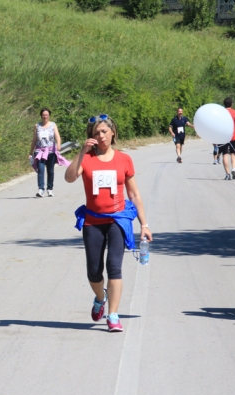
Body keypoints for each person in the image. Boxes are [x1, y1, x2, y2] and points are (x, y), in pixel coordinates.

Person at [65, 115, 152, 333]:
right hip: (93, 221)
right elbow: (69, 178)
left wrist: (144, 224)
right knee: (94, 271)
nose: (100, 136)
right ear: (90, 137)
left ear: (113, 133)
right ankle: (100, 297)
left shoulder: (124, 159)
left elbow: (134, 193)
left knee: (114, 267)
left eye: (104, 131)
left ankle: (113, 315)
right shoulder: (86, 159)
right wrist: (82, 152)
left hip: (118, 220)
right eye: (96, 133)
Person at [29, 108, 69, 197]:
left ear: (49, 115)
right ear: (41, 116)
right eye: (43, 115)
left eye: (46, 115)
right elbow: (34, 139)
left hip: (51, 151)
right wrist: (30, 152)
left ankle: (50, 189)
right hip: (39, 151)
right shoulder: (37, 126)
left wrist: (58, 144)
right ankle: (40, 189)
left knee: (50, 170)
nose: (45, 116)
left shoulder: (53, 125)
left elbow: (57, 136)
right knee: (41, 169)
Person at [218, 97, 235, 180]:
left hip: (223, 136)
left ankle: (227, 174)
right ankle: (233, 168)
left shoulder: (220, 112)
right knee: (233, 153)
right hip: (233, 136)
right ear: (231, 104)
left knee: (225, 154)